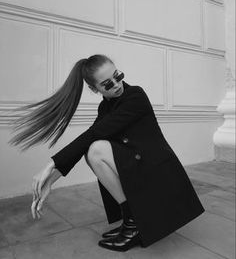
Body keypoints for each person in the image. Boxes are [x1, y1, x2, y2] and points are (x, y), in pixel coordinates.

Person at [8, 54, 205, 252]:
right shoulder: (106, 106)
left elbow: (93, 134)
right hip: (141, 166)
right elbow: (88, 140)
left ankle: (134, 223)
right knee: (92, 150)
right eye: (107, 84)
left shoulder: (135, 95)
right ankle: (132, 220)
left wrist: (51, 164)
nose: (117, 85)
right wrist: (50, 180)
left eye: (117, 76)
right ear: (95, 89)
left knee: (96, 150)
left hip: (159, 173)